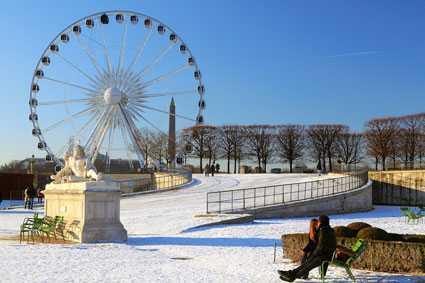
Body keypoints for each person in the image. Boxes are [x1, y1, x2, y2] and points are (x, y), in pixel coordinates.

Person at [277, 215, 336, 282]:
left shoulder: (323, 230)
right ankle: (291, 273)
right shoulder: (329, 229)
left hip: (325, 255)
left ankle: (292, 276)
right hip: (326, 254)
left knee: (309, 264)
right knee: (308, 262)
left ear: (319, 222)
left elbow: (320, 246)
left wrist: (314, 254)